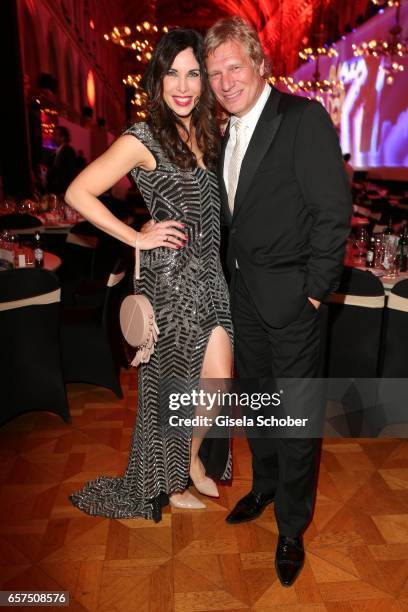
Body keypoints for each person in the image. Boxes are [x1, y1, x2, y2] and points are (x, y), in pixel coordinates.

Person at [205, 17, 351, 586]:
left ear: (260, 64)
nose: (223, 82)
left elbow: (331, 213)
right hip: (245, 296)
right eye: (215, 73)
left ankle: (292, 526)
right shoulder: (226, 133)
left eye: (233, 68)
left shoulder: (301, 118)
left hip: (294, 302)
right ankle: (264, 486)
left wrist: (314, 293)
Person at [66, 29, 233, 521]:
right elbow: (79, 192)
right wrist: (137, 237)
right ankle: (172, 476)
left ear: (203, 80)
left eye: (193, 73)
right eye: (172, 73)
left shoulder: (205, 133)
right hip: (173, 280)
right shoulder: (143, 137)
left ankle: (190, 455)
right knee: (175, 385)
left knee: (219, 378)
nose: (183, 85)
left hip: (212, 276)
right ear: (157, 80)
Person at [46, 126, 77, 195]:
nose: (53, 137)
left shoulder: (69, 151)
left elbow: (70, 173)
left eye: (55, 135)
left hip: (63, 191)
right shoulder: (54, 153)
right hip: (55, 191)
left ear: (63, 137)